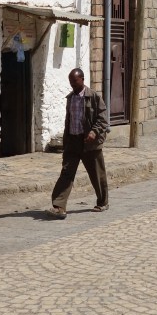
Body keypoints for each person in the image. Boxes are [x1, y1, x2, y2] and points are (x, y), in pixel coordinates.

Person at [49, 68, 110, 218]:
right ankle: (59, 206)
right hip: (73, 141)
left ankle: (102, 202)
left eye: (75, 82)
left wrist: (93, 132)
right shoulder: (70, 98)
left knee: (97, 173)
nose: (73, 85)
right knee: (66, 173)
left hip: (90, 142)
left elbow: (102, 119)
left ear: (82, 79)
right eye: (71, 82)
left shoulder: (93, 97)